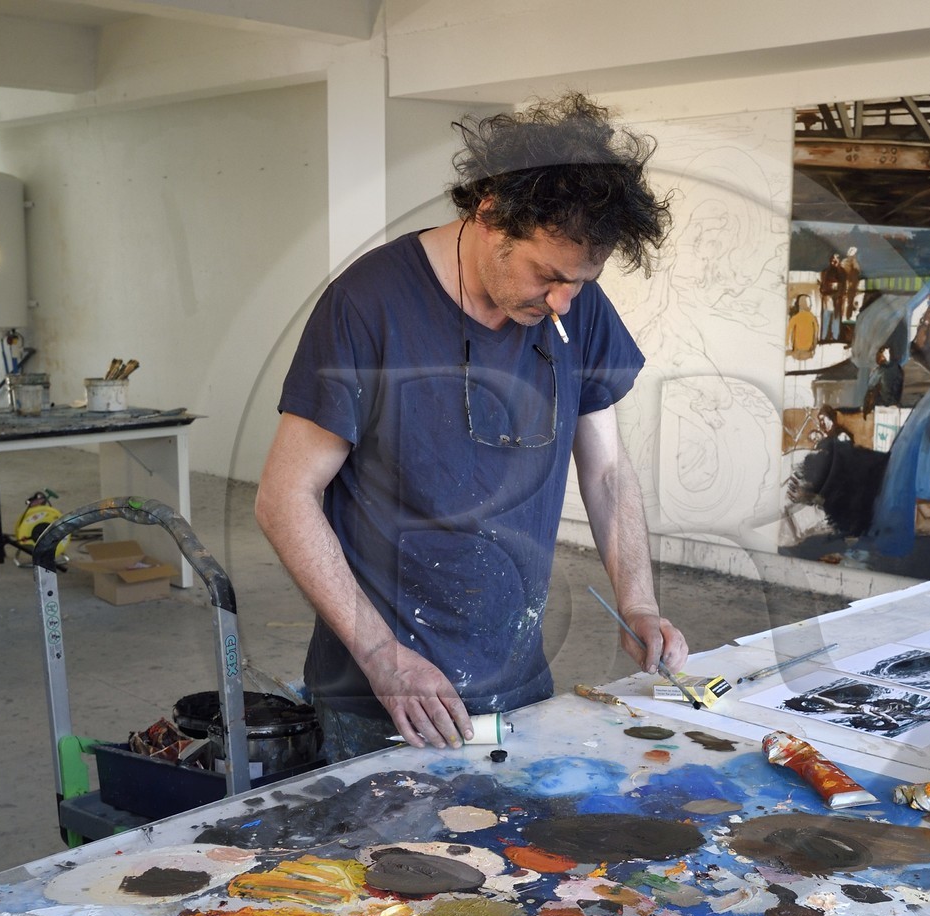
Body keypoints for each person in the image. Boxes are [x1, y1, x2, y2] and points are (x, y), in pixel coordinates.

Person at [255, 93, 689, 762]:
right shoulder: (368, 304)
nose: (561, 302)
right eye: (546, 275)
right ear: (490, 215)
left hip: (519, 683)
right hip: (384, 698)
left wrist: (639, 602)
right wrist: (381, 656)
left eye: (581, 280)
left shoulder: (578, 309)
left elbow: (604, 468)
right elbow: (284, 497)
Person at [785, 293, 819, 361]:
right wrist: (814, 346)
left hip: (798, 349)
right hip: (808, 348)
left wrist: (787, 344)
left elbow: (788, 331)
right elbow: (816, 331)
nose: (811, 305)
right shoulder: (812, 317)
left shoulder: (795, 317)